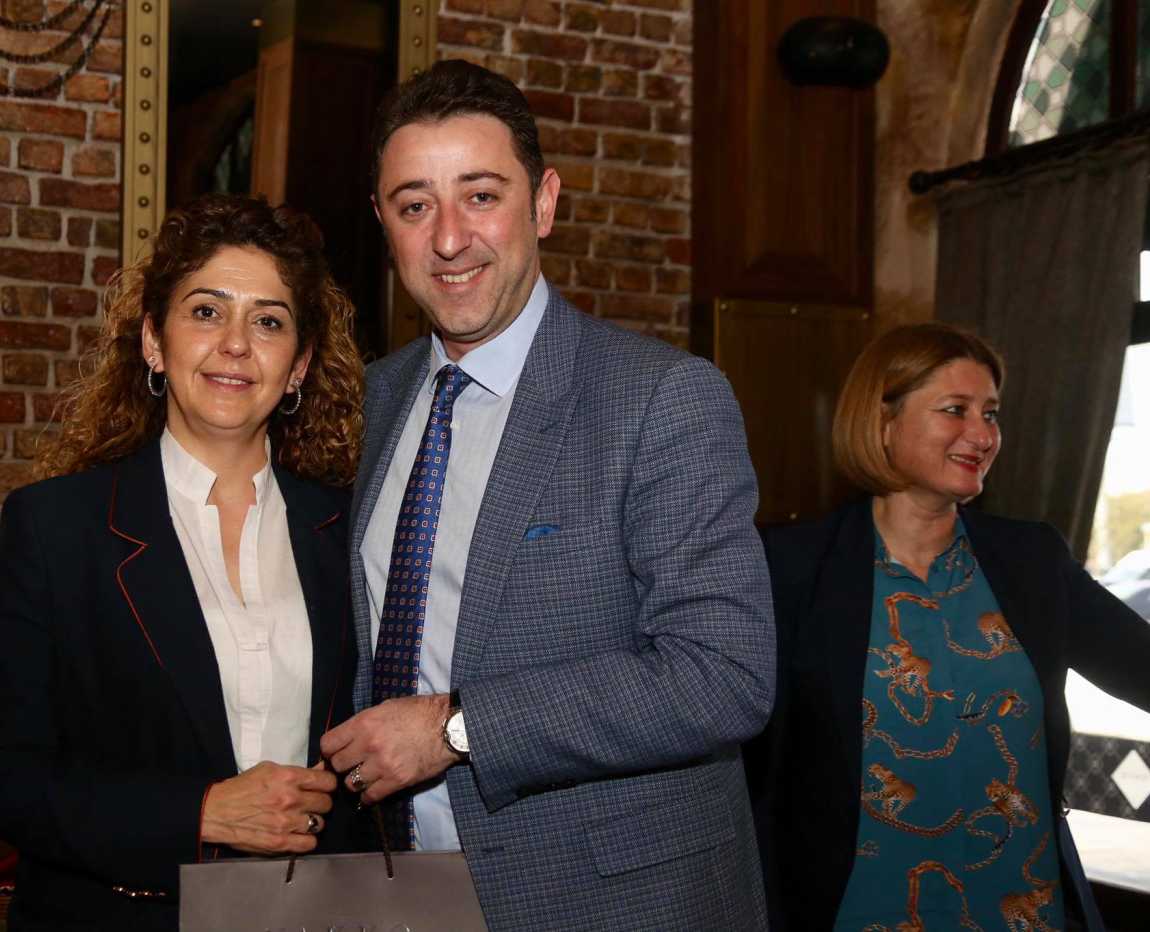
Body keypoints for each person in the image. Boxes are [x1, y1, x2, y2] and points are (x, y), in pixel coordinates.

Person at [318, 60, 775, 931]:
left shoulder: (661, 398)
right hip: (401, 887)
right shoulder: (370, 402)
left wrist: (453, 728)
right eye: (415, 206)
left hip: (612, 903)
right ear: (383, 223)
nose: (449, 238)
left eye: (481, 196)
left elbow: (724, 674)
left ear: (545, 203)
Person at [0, 195, 366, 932]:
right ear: (154, 341)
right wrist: (201, 812)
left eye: (268, 322)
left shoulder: (353, 530)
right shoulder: (57, 527)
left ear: (300, 364)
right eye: (207, 312)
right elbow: (2, 777)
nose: (235, 344)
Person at [746, 323, 1150, 932]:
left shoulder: (1033, 560)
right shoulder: (790, 570)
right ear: (883, 422)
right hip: (860, 912)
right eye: (955, 410)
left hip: (1022, 908)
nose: (983, 435)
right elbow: (753, 774)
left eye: (991, 413)